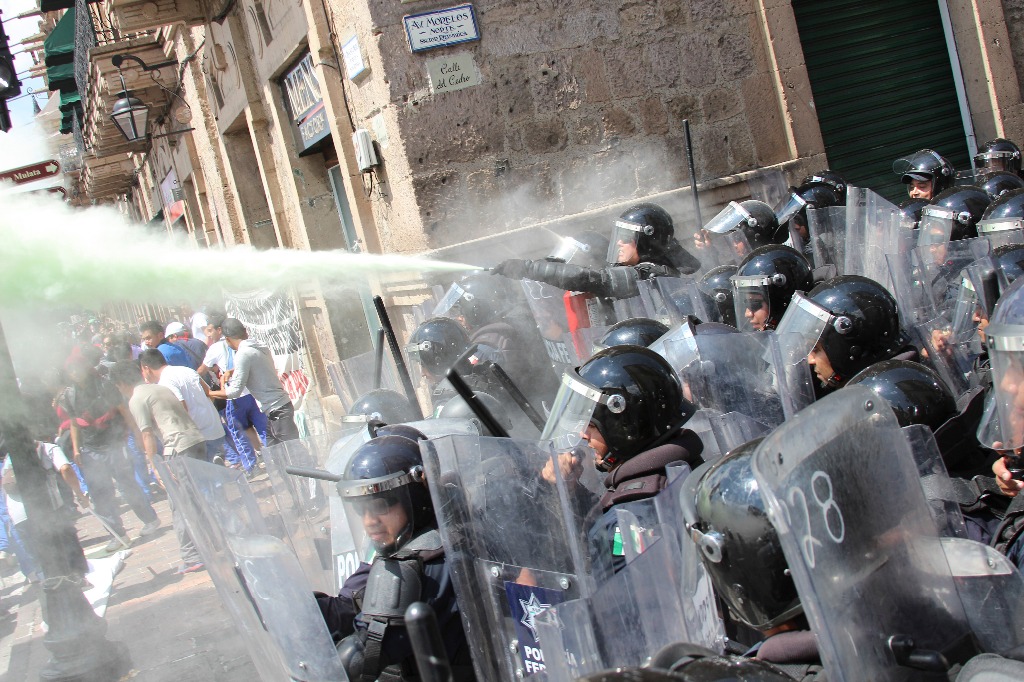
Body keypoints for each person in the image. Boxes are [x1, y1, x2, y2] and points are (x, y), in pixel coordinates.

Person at [315, 433, 476, 681]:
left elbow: (359, 657)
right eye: (362, 509)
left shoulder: (418, 565)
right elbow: (349, 605)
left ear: (414, 499)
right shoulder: (444, 534)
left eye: (382, 506)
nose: (369, 521)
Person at [542, 345, 702, 581]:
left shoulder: (629, 519)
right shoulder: (685, 467)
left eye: (592, 425)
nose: (583, 435)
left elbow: (614, 607)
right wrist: (571, 494)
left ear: (625, 428)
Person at [111, 360, 207, 574]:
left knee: (179, 503)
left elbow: (146, 434)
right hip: (197, 440)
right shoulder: (159, 388)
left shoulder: (136, 399)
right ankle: (212, 544)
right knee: (197, 498)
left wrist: (154, 465)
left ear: (120, 384)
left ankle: (192, 556)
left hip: (178, 448)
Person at [492, 204, 701, 300]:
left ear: (647, 241)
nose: (619, 242)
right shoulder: (650, 265)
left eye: (627, 237)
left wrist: (528, 268)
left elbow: (594, 279)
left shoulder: (654, 275)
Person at [57, 356, 160, 551]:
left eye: (77, 369)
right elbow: (73, 423)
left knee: (127, 485)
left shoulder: (104, 386)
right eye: (71, 371)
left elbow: (124, 410)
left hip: (115, 442)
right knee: (99, 493)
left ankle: (150, 520)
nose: (75, 374)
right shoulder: (69, 396)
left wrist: (137, 434)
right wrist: (77, 448)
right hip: (90, 448)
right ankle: (118, 535)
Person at [208, 318, 299, 445]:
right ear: (245, 332)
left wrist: (209, 393)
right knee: (274, 449)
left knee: (294, 451)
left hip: (277, 409)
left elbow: (234, 392)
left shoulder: (243, 354)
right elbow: (255, 362)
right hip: (278, 407)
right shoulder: (258, 346)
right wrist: (233, 371)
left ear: (227, 339)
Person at [197, 313, 267, 473]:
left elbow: (203, 369)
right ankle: (276, 458)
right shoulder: (246, 345)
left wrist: (193, 377)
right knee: (263, 428)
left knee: (238, 433)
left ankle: (250, 466)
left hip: (234, 398)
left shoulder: (216, 348)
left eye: (210, 331)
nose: (208, 335)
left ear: (220, 330)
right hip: (252, 393)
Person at [138, 349, 226, 464]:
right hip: (215, 430)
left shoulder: (165, 382)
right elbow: (209, 393)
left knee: (204, 478)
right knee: (217, 475)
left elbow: (181, 408)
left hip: (200, 438)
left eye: (142, 371)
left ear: (146, 368)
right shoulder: (187, 370)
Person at [730, 245, 813, 332]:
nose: (747, 314)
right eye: (747, 304)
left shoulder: (808, 343)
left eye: (755, 304)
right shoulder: (761, 342)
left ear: (780, 303)